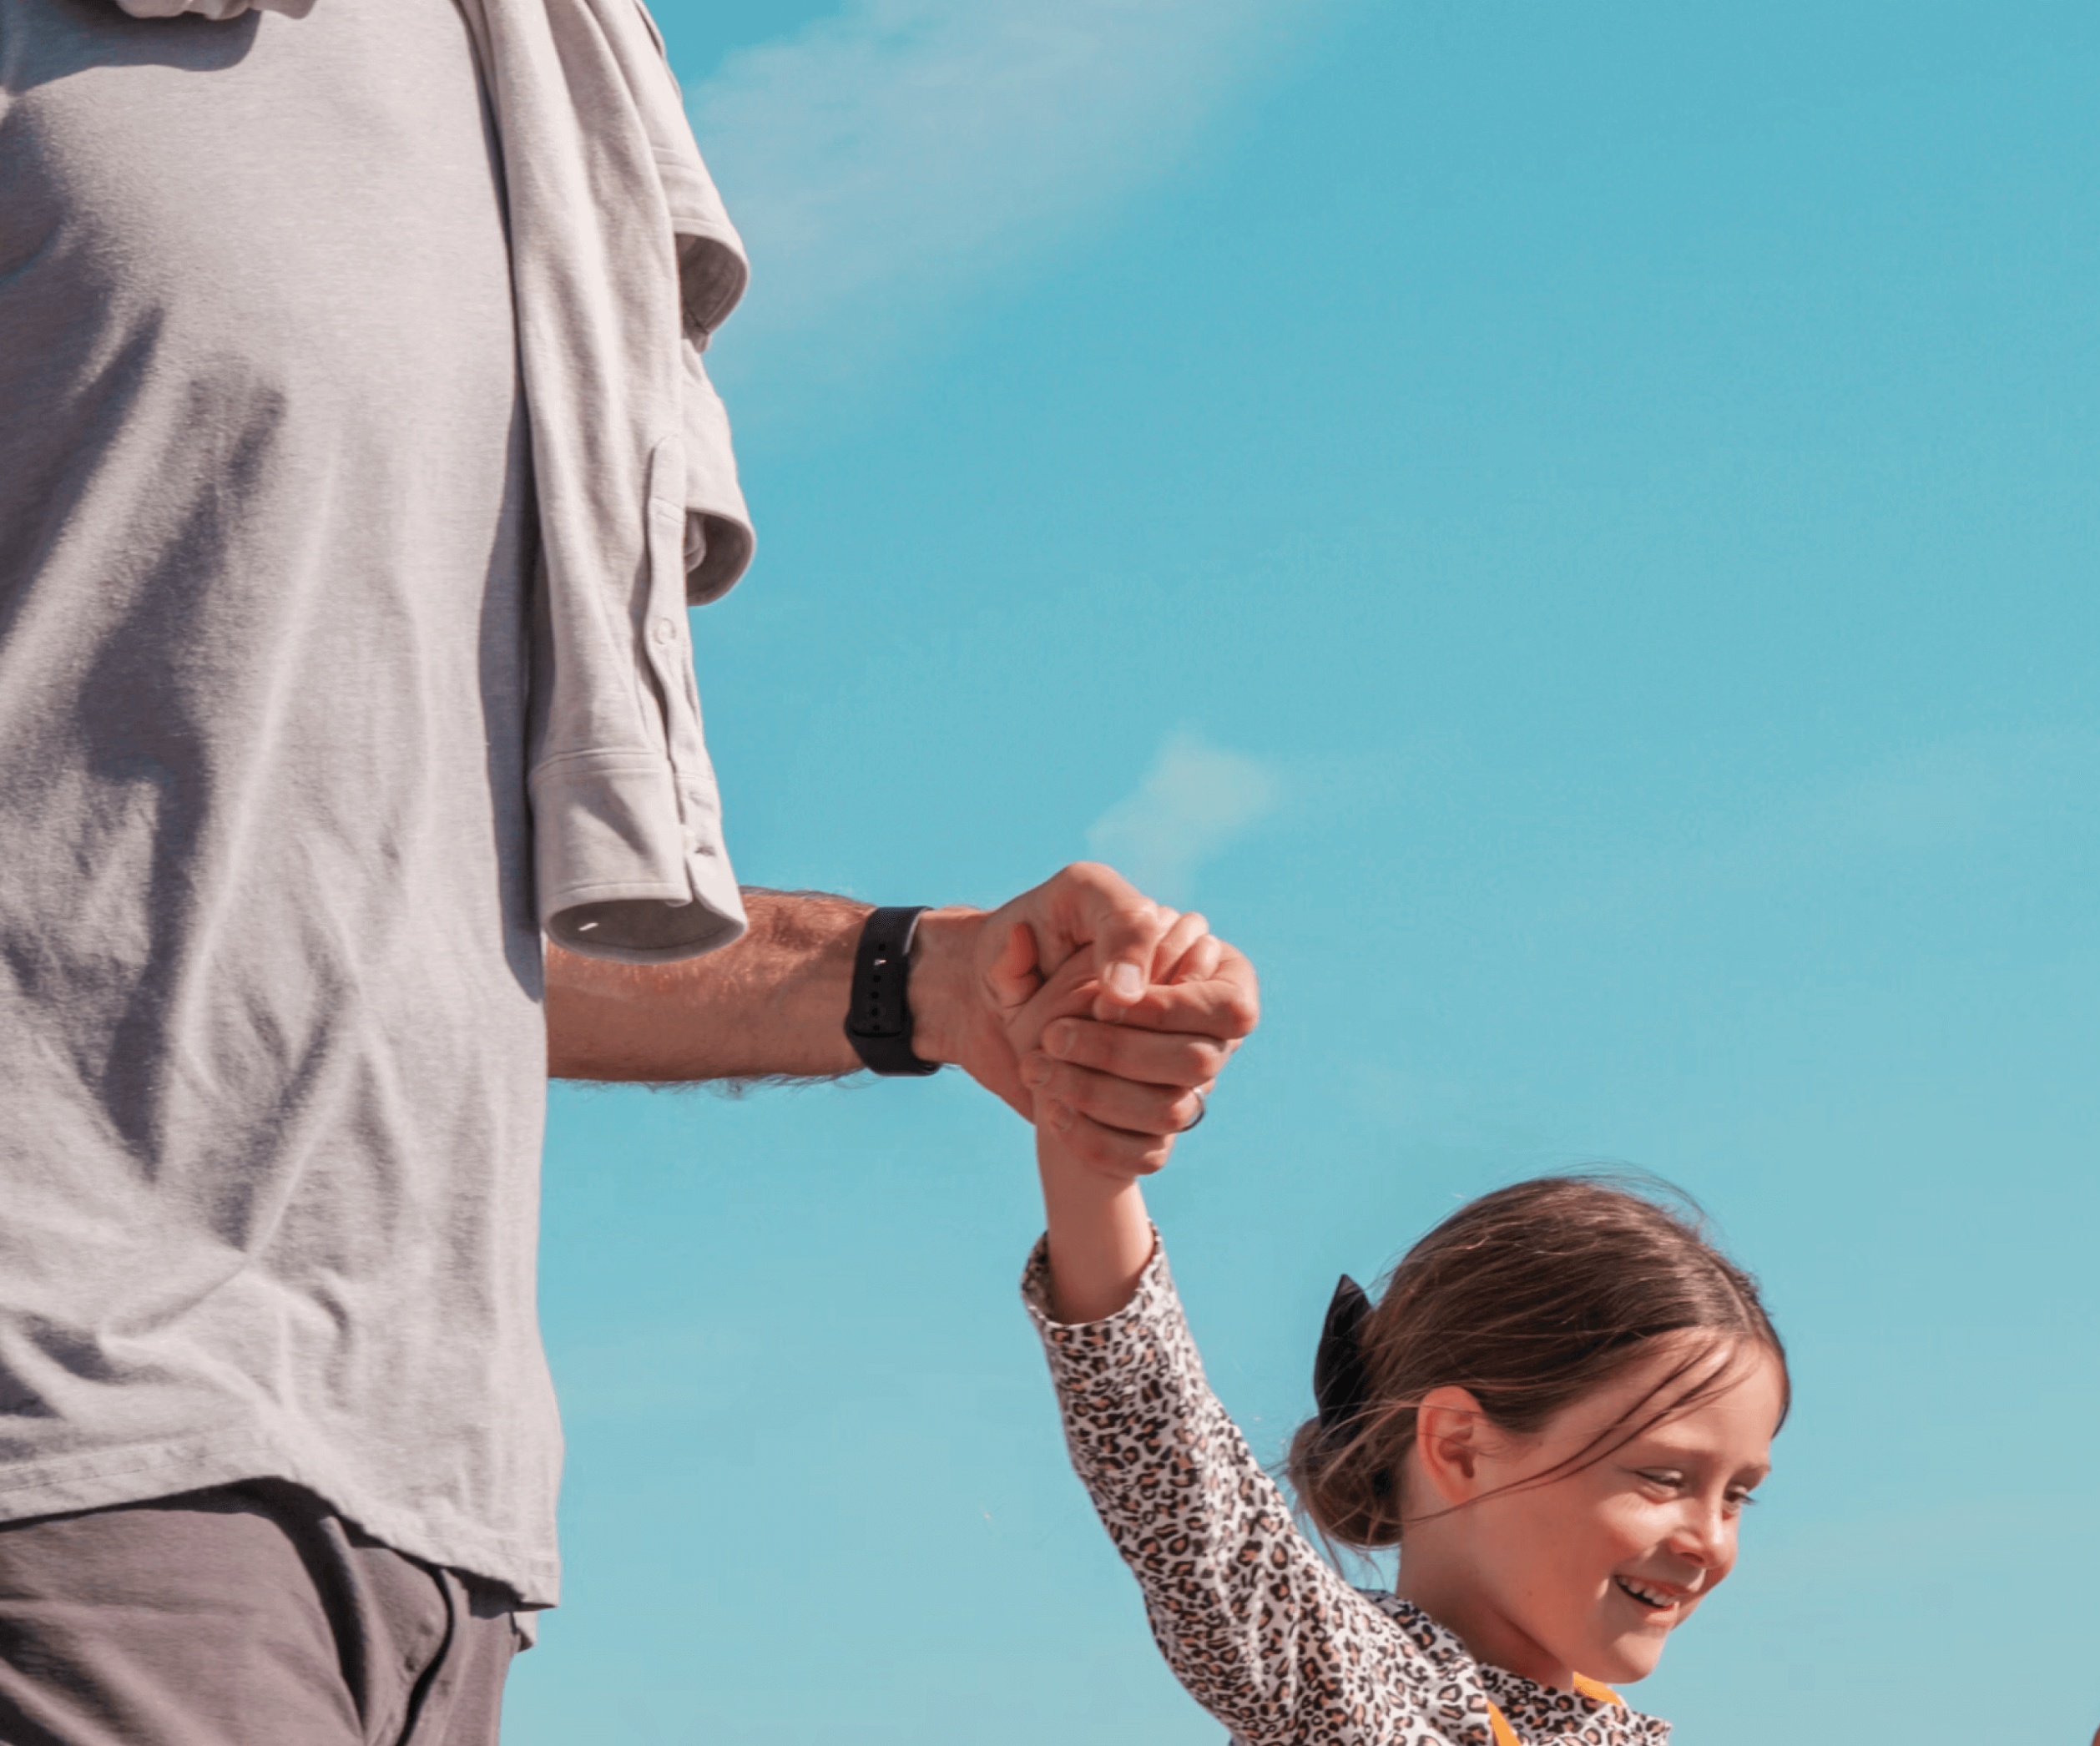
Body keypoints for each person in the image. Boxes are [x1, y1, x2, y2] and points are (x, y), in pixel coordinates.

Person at [0, 2, 1245, 1740]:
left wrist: (929, 981)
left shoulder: (547, 109)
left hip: (432, 1524)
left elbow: (426, 900)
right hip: (75, 1441)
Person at [1003, 941, 2100, 1746]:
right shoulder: (1355, 1693)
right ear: (1459, 1445)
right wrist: (1091, 1159)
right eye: (1663, 1476)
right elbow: (1174, 1479)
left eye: (1739, 1493)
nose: (1708, 1539)